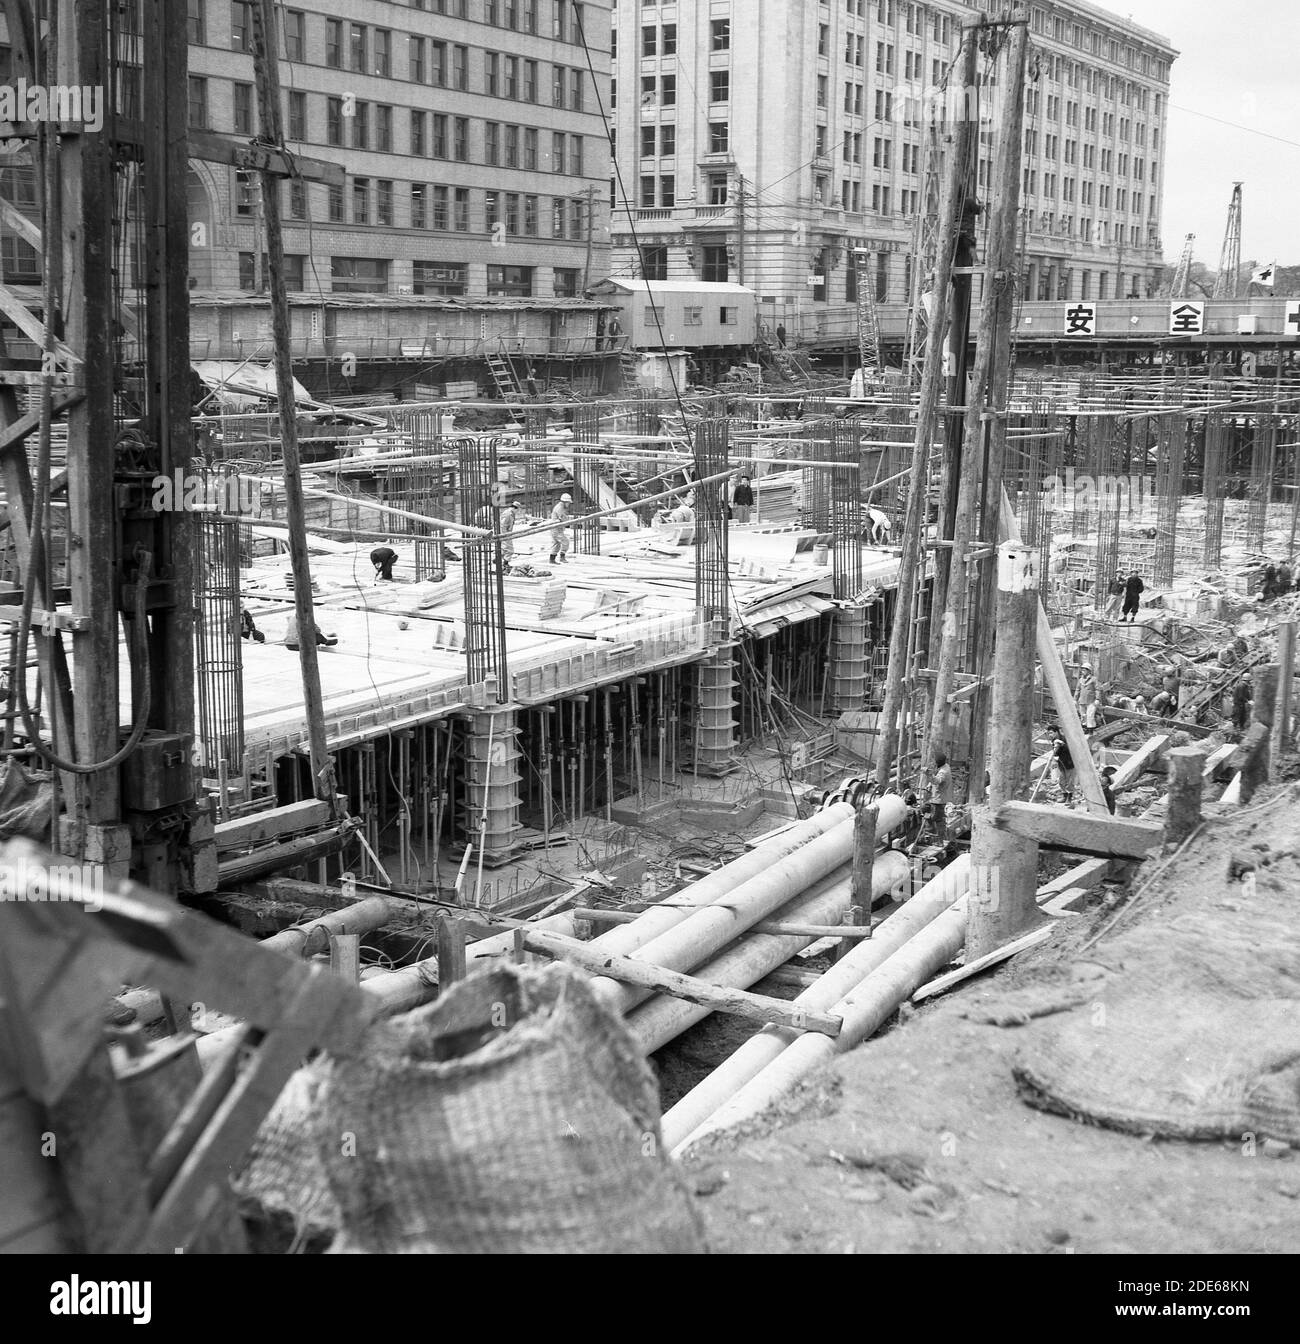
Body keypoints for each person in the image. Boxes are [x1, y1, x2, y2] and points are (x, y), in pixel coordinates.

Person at [930, 751, 953, 843]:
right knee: (938, 818)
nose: (933, 762)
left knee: (937, 819)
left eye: (934, 761)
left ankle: (939, 840)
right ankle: (938, 838)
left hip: (938, 799)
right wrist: (929, 784)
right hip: (940, 797)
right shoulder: (946, 766)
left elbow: (937, 781)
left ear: (938, 762)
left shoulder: (943, 771)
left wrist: (929, 775)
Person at [1051, 731, 1076, 805]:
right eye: (1049, 733)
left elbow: (1071, 750)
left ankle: (1069, 798)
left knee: (1070, 781)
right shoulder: (1054, 741)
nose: (1050, 735)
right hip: (1061, 763)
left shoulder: (1065, 739)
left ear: (1056, 732)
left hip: (1069, 763)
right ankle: (1064, 796)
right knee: (1062, 781)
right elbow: (1056, 752)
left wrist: (1063, 744)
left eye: (1051, 732)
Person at [548, 493, 572, 564]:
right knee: (565, 542)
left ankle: (552, 559)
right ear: (565, 502)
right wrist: (567, 520)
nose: (569, 504)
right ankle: (562, 557)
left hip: (557, 529)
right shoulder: (559, 508)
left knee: (556, 544)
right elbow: (563, 518)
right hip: (556, 529)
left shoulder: (561, 507)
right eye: (568, 503)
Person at [1076, 664, 1099, 732]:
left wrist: (1097, 699)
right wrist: (1075, 699)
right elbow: (1078, 690)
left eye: (1084, 670)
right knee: (1083, 716)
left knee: (1090, 716)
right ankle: (1084, 729)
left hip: (1091, 701)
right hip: (1082, 701)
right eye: (1082, 670)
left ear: (1089, 671)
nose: (1083, 671)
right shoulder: (1080, 680)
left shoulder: (1094, 679)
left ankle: (1091, 731)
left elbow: (1097, 689)